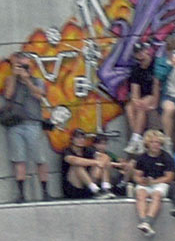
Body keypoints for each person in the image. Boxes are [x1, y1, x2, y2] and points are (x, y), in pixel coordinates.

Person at [4, 52, 51, 202]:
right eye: (20, 65)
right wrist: (14, 75)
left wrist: (27, 80)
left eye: (26, 65)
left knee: (40, 159)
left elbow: (39, 96)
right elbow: (8, 95)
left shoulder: (37, 81)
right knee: (19, 159)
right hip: (15, 125)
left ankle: (45, 192)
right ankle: (21, 194)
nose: (24, 68)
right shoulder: (10, 80)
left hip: (33, 124)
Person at [132, 130, 175, 237]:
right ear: (148, 143)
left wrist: (154, 182)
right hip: (146, 183)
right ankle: (143, 221)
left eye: (157, 142)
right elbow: (137, 175)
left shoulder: (166, 157)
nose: (155, 145)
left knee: (156, 195)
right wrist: (141, 181)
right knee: (141, 194)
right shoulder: (142, 158)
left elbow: (169, 177)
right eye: (152, 142)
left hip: (160, 183)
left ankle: (149, 221)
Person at [60, 128, 116, 200]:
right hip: (74, 187)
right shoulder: (67, 150)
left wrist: (101, 163)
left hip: (88, 185)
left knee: (104, 161)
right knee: (77, 166)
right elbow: (74, 160)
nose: (81, 140)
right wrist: (96, 162)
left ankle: (106, 188)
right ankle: (95, 191)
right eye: (78, 137)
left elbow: (105, 157)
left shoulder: (88, 149)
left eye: (83, 138)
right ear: (72, 139)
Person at [124, 42, 160, 154]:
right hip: (142, 96)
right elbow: (135, 91)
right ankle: (138, 139)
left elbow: (156, 86)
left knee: (142, 105)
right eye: (137, 53)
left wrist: (155, 102)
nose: (140, 54)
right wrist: (135, 100)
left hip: (154, 95)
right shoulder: (136, 69)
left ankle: (135, 139)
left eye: (141, 51)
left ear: (146, 51)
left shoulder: (155, 65)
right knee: (129, 108)